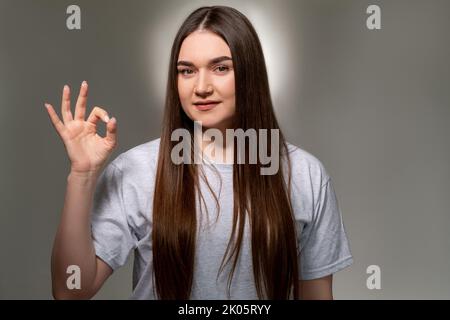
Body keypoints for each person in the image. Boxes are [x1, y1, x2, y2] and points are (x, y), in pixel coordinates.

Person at [46, 6, 353, 300]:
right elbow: (71, 290)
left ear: (250, 73)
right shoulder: (136, 170)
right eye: (187, 71)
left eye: (221, 68)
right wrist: (81, 175)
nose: (201, 87)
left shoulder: (305, 175)